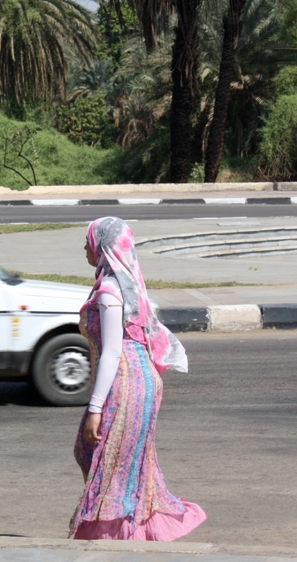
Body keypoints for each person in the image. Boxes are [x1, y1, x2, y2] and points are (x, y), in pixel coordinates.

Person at [70, 216, 206, 541]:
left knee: (100, 457)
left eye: (88, 241)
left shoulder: (109, 291)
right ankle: (135, 532)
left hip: (126, 382)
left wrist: (94, 408)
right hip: (142, 380)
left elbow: (113, 352)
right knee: (125, 464)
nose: (84, 248)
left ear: (101, 246)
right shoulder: (127, 282)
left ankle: (116, 537)